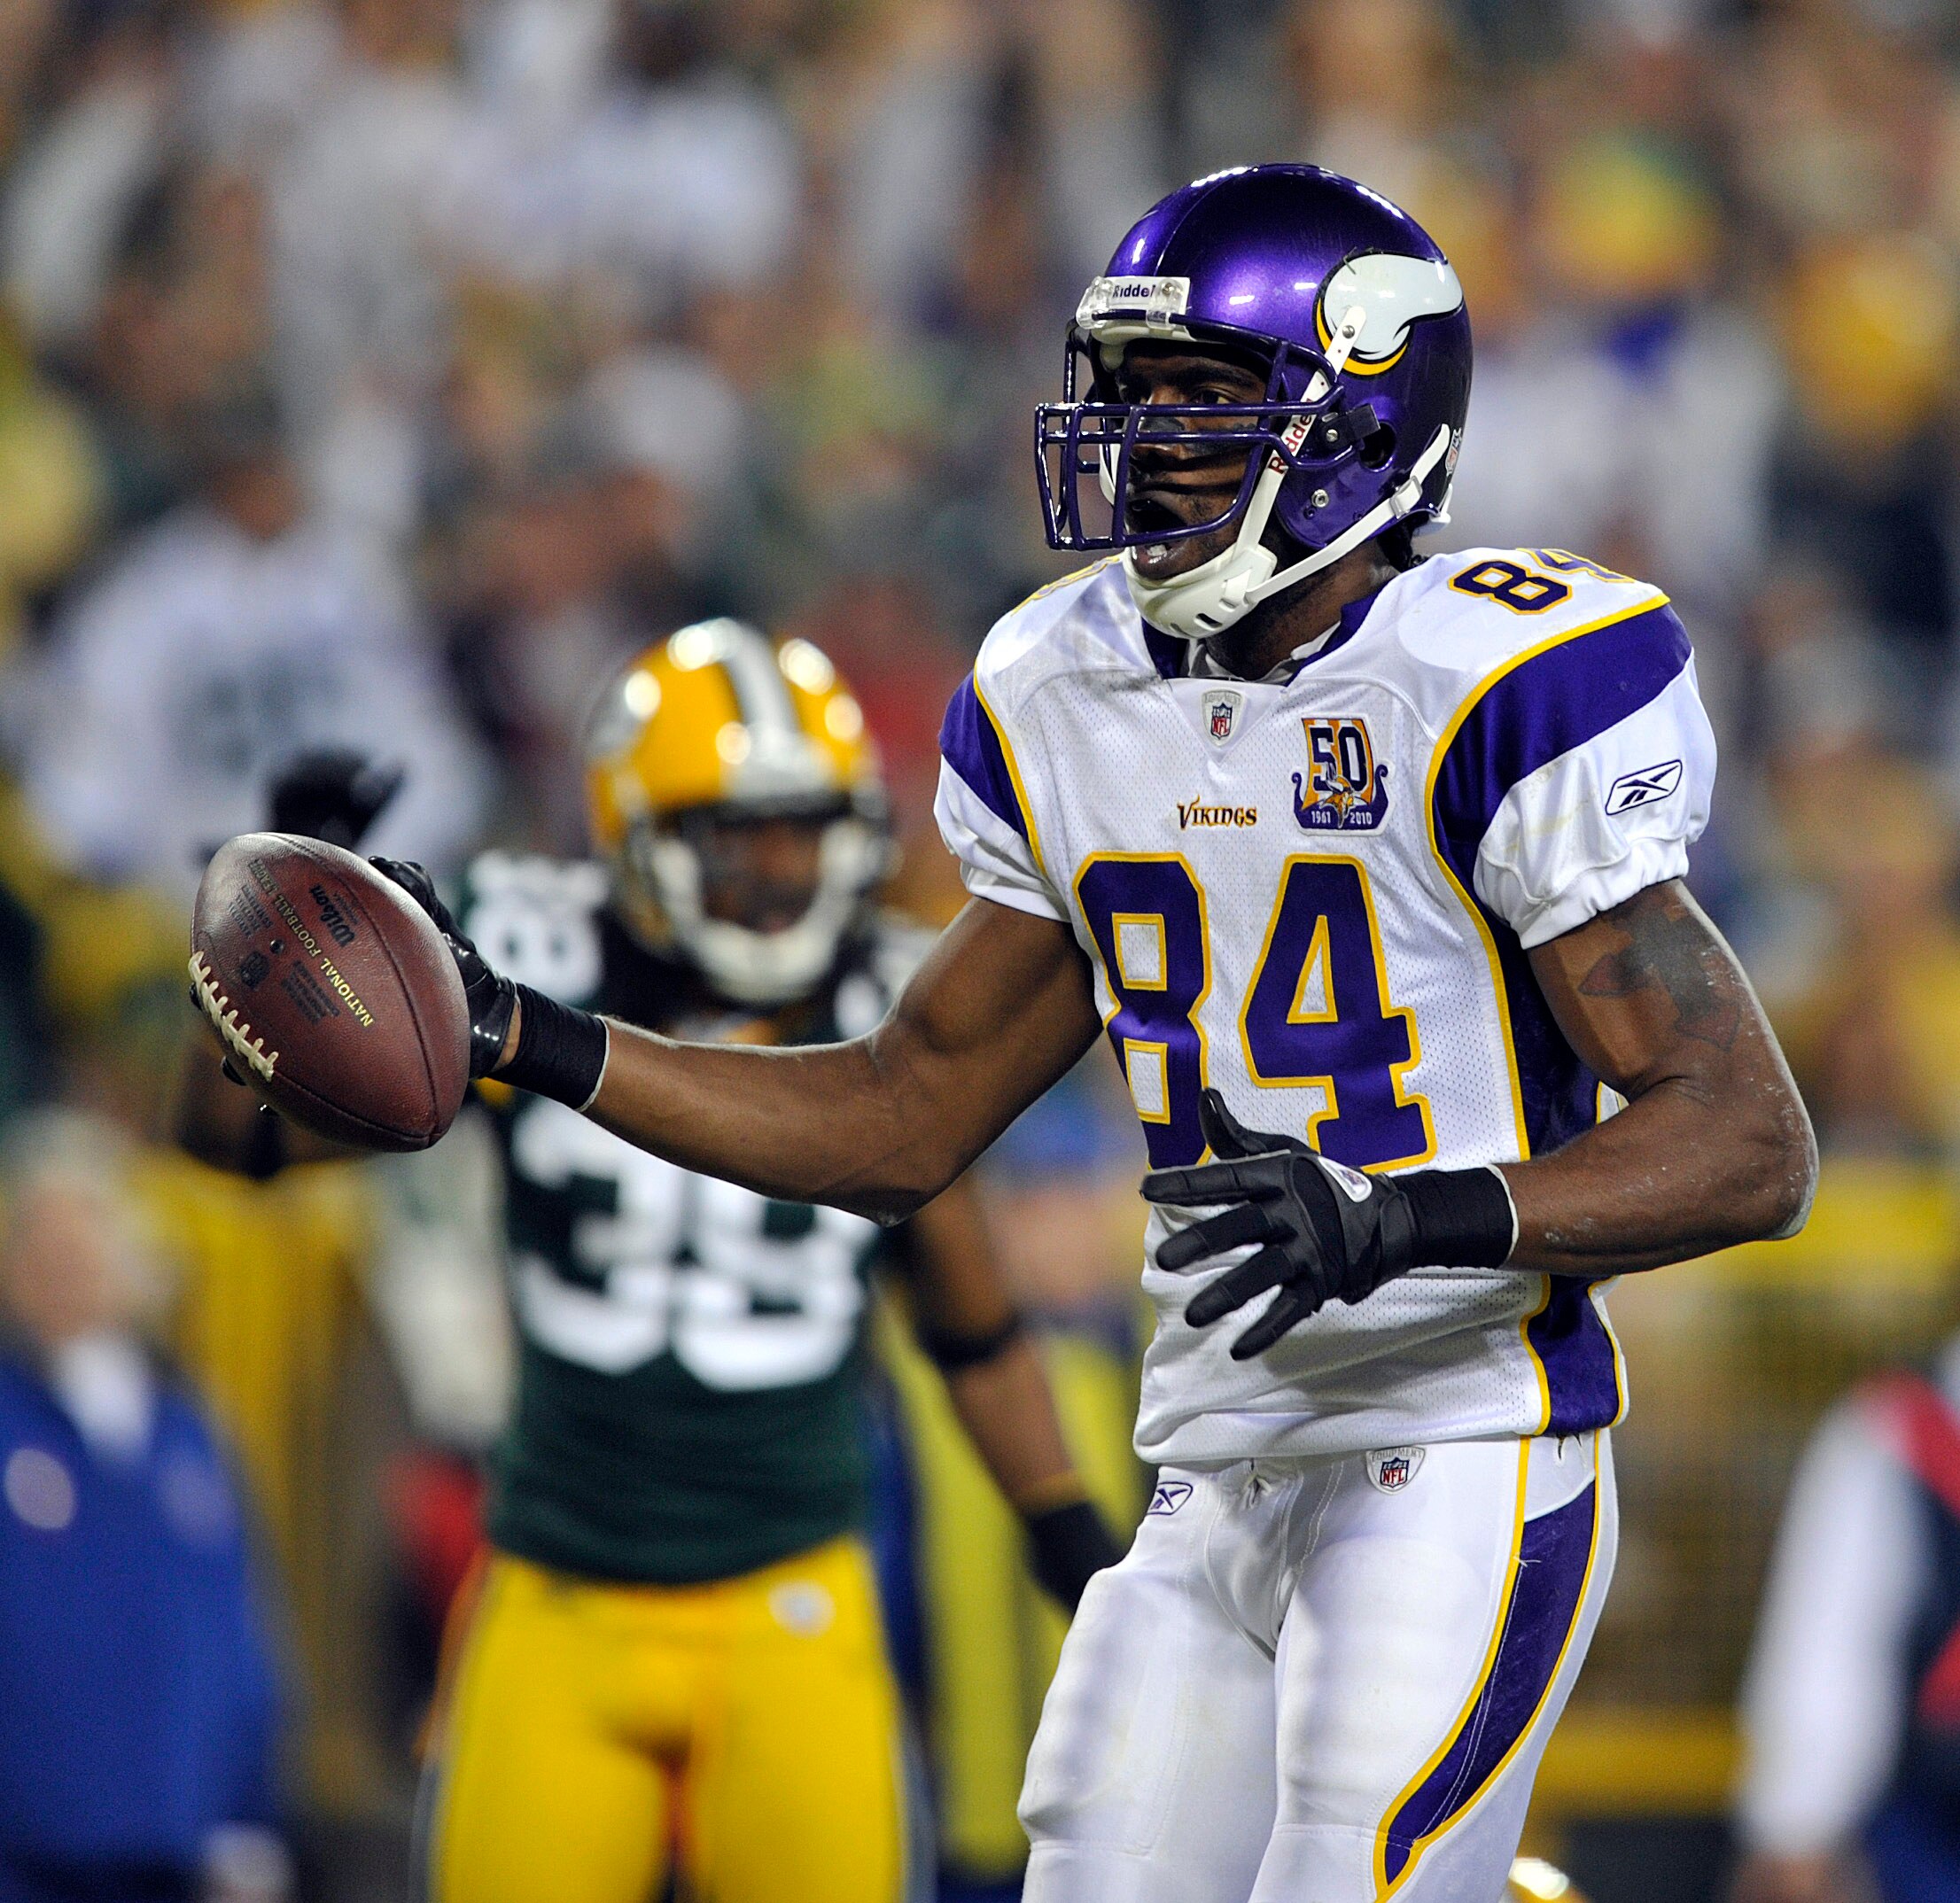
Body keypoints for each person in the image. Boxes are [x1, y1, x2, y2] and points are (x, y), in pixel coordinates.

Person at [245, 165, 1816, 1902]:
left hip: (1453, 1439)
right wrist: (521, 1034)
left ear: (1365, 412)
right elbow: (898, 1117)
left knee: (1351, 1871)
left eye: (1203, 401)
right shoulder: (1061, 682)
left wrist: (1404, 1221)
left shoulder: (1493, 676)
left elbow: (1745, 1140)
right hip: (1210, 1468)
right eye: (1127, 393)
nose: (1143, 443)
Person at [182, 630, 1124, 1903]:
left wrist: (1069, 1537)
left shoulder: (890, 1024)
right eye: (740, 836)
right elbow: (236, 1148)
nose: (782, 873)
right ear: (634, 834)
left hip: (791, 1595)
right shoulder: (532, 955)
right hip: (560, 1591)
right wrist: (272, 978)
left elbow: (972, 1321)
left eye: (805, 829)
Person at [0, 1108, 289, 1903]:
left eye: (83, 1235)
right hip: (27, 1858)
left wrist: (251, 1820)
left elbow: (239, 1635)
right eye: (37, 1239)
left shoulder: (189, 1435)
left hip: (175, 1853)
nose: (61, 1262)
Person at [1732, 1344, 1960, 1903]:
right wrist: (1797, 1825)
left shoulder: (1896, 1425)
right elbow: (1831, 1651)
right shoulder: (1903, 1426)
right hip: (1930, 1824)